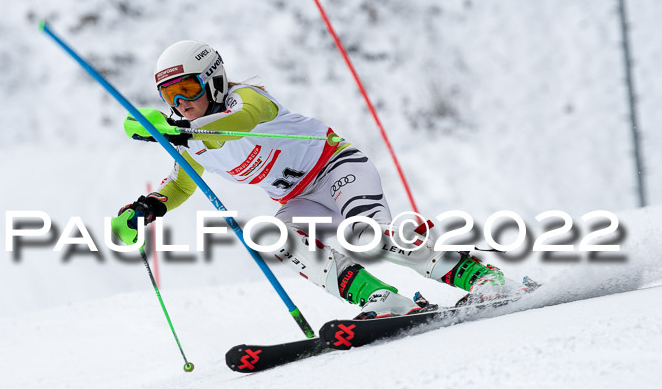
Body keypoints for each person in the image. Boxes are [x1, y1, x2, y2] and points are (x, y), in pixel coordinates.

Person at [112, 40, 511, 319]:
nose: (181, 103)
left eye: (187, 89)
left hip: (336, 167)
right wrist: (146, 208)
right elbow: (181, 184)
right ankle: (382, 299)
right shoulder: (189, 139)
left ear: (213, 79)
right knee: (276, 237)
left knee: (366, 235)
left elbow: (240, 123)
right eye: (170, 97)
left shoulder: (247, 99)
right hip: (300, 198)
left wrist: (179, 130)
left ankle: (482, 276)